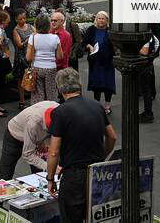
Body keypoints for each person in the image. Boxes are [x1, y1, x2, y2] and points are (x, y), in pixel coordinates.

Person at [45, 69, 117, 223]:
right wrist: (102, 157)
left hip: (74, 177)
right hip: (97, 173)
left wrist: (50, 178)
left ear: (60, 88)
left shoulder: (60, 112)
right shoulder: (96, 106)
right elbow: (112, 136)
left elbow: (53, 152)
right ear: (79, 84)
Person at [0, 100, 58, 179]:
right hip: (15, 136)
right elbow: (27, 154)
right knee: (5, 173)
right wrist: (49, 167)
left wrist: (44, 142)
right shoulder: (33, 123)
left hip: (38, 136)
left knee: (39, 176)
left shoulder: (58, 109)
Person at [82, 11, 115, 115]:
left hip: (108, 62)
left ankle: (107, 106)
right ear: (96, 19)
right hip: (95, 62)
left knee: (108, 84)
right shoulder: (91, 29)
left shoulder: (110, 31)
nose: (101, 20)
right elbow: (85, 42)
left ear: (107, 20)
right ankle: (97, 105)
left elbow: (115, 44)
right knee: (96, 84)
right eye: (99, 18)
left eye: (103, 18)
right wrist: (89, 46)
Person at [27, 15, 63, 104]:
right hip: (51, 68)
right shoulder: (55, 38)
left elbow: (28, 57)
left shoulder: (33, 37)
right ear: (48, 25)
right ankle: (51, 114)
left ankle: (39, 114)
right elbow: (60, 56)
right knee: (51, 93)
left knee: (38, 94)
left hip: (37, 67)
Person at [11, 9, 35, 111]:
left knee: (32, 78)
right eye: (20, 19)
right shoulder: (15, 30)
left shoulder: (30, 26)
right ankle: (22, 101)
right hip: (21, 58)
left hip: (31, 56)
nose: (23, 20)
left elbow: (37, 34)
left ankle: (34, 100)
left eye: (24, 18)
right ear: (16, 19)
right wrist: (28, 39)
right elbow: (19, 44)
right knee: (21, 79)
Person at [138, 32, 160, 123]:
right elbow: (156, 48)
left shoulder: (147, 37)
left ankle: (148, 114)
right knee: (146, 91)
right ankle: (147, 112)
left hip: (145, 67)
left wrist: (134, 48)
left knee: (146, 91)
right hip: (148, 65)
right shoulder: (153, 36)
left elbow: (144, 52)